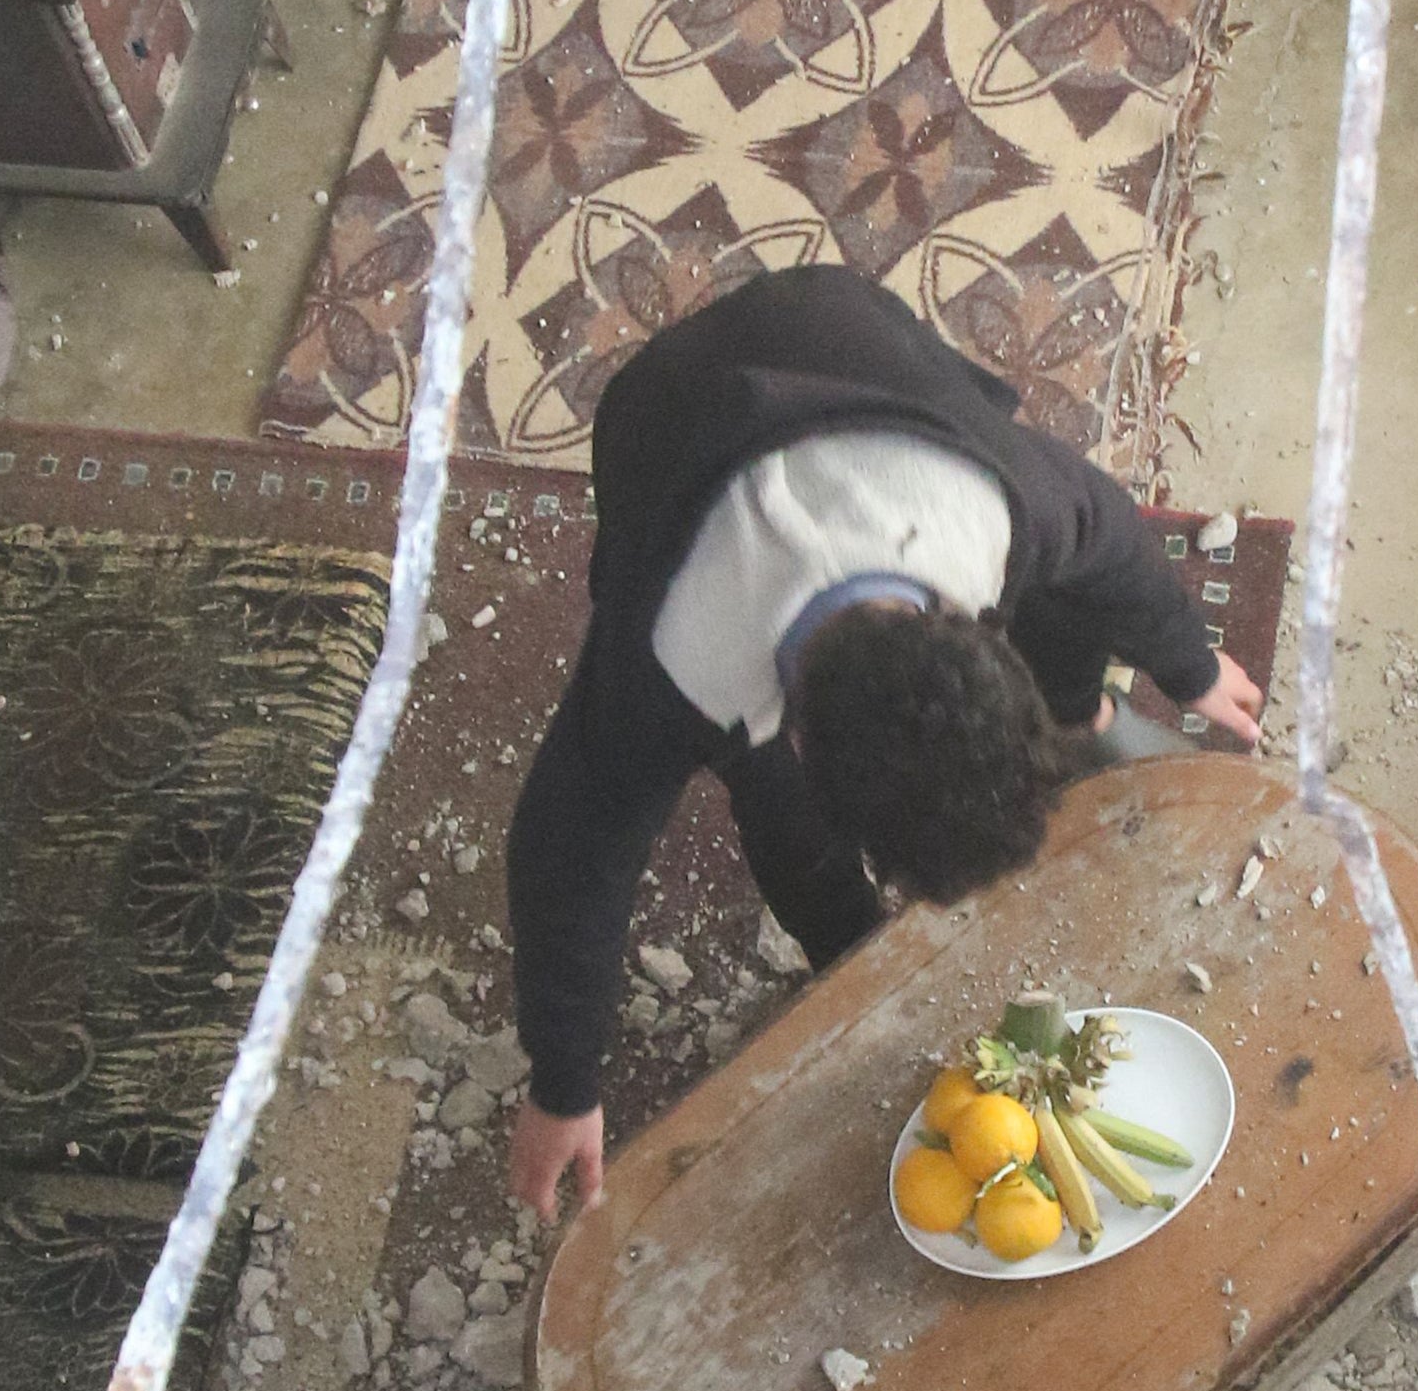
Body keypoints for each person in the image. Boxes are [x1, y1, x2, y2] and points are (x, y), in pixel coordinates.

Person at [504, 266, 1263, 1220]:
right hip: (666, 420)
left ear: (964, 625)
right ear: (801, 750)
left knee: (1074, 597)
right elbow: (570, 851)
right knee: (780, 829)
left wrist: (1188, 666)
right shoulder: (676, 670)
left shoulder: (988, 506)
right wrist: (563, 1083)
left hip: (837, 323)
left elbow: (1108, 534)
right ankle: (850, 949)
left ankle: (1085, 716)